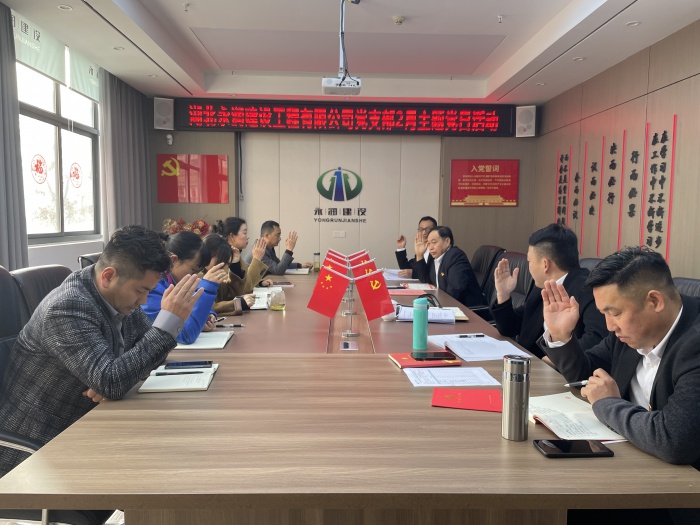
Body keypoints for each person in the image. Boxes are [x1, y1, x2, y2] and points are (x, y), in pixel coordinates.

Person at [0, 225, 202, 477]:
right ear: (108, 276)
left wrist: (116, 377)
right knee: (167, 464)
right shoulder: (67, 307)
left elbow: (143, 357)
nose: (143, 301)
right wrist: (167, 324)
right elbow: (114, 379)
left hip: (88, 425)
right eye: (141, 290)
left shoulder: (117, 296)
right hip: (39, 447)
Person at [541, 246, 700, 525]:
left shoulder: (694, 343)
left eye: (614, 313)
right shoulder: (630, 331)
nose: (609, 326)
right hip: (632, 463)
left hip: (678, 497)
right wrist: (561, 335)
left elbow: (674, 441)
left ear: (654, 301)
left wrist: (608, 404)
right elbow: (587, 374)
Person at [490, 223, 606, 359]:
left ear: (545, 264)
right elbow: (510, 328)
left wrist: (556, 359)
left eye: (529, 261)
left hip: (558, 369)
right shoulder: (542, 287)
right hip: (529, 361)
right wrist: (503, 294)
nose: (529, 267)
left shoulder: (588, 289)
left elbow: (596, 340)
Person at [143, 231, 227, 344]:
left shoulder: (175, 282)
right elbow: (185, 335)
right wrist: (207, 289)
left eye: (198, 272)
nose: (195, 276)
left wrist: (207, 316)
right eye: (193, 270)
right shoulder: (151, 290)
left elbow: (193, 305)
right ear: (173, 259)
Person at [411, 225, 483, 307]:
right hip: (444, 304)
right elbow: (425, 279)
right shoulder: (435, 257)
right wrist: (419, 255)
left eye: (434, 242)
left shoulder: (455, 256)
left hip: (466, 309)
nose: (430, 248)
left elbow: (454, 291)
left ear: (447, 241)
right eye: (428, 243)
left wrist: (436, 306)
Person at [214, 217, 271, 297]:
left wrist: (259, 282)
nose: (247, 237)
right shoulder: (226, 258)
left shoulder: (235, 254)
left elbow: (243, 278)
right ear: (232, 236)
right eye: (244, 233)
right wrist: (256, 259)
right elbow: (243, 289)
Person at [202, 234, 255, 316]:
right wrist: (238, 303)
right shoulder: (196, 278)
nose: (225, 269)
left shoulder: (214, 276)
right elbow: (206, 307)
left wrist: (235, 265)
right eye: (222, 262)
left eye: (228, 264)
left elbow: (230, 294)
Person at [244, 220, 313, 275]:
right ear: (267, 235)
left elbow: (280, 265)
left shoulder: (268, 248)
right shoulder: (259, 250)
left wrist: (300, 265)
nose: (280, 239)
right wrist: (289, 249)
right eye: (277, 235)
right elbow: (279, 270)